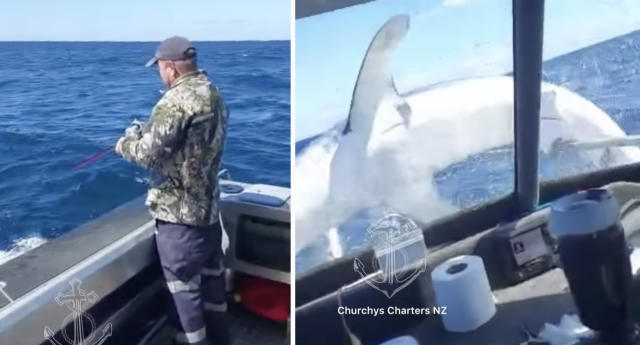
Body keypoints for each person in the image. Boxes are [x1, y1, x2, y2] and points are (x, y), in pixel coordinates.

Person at [115, 36, 229, 345]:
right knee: (213, 292)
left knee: (185, 297)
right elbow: (189, 145)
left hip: (180, 224)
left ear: (171, 68)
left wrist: (125, 144)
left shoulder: (175, 101)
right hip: (208, 216)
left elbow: (148, 154)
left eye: (160, 69)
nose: (160, 75)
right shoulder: (212, 92)